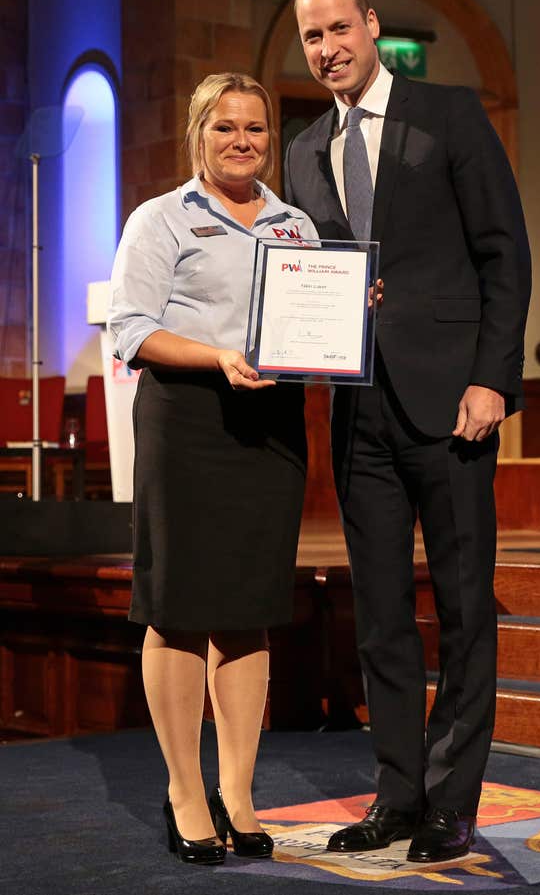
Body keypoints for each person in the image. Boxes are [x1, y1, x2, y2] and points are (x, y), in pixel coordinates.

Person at [285, 0, 532, 863]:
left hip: (453, 404)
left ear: (371, 24)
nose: (328, 49)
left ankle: (451, 802)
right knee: (381, 616)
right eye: (312, 38)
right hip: (359, 416)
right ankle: (397, 793)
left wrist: (493, 379)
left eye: (339, 29)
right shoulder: (305, 149)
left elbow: (505, 253)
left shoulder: (450, 114)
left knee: (465, 611)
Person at [108, 72, 318, 865]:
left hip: (271, 428)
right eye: (225, 127)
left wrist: (346, 311)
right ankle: (185, 792)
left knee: (248, 604)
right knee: (180, 604)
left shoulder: (297, 225)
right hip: (188, 418)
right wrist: (217, 356)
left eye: (256, 129)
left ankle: (239, 790)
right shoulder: (159, 218)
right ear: (199, 132)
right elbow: (133, 327)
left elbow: (311, 320)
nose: (242, 141)